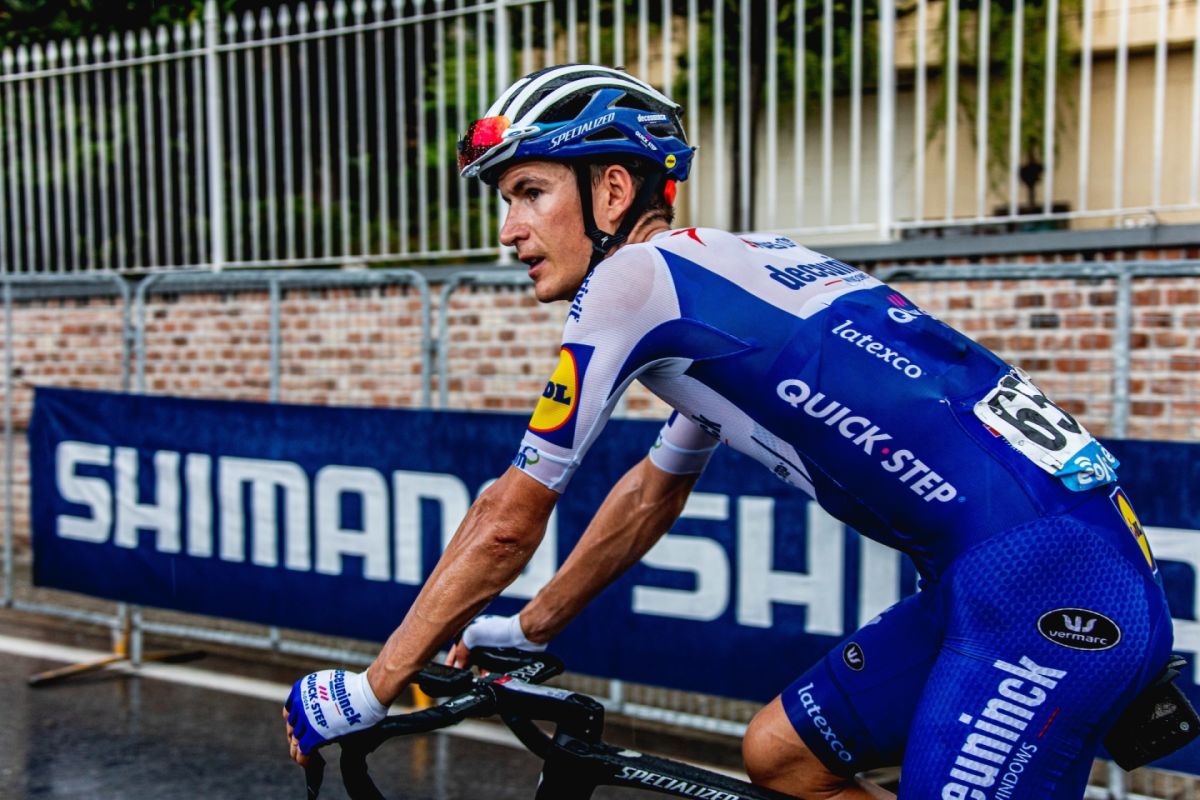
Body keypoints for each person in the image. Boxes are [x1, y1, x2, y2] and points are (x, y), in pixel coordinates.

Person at [284, 64, 1175, 799]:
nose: (511, 229)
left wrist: (371, 687)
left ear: (613, 188)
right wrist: (531, 627)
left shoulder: (633, 280)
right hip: (1011, 571)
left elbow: (507, 521)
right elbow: (652, 492)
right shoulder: (729, 273)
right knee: (782, 758)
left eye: (528, 192)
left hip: (1045, 590)